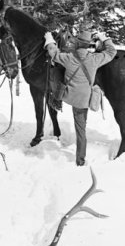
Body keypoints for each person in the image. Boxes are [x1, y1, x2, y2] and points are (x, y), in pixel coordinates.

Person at [44, 29, 116, 166]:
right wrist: (104, 38)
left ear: (76, 43)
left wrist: (50, 40)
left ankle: (56, 104)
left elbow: (53, 53)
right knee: (81, 131)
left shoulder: (68, 58)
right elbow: (112, 52)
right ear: (88, 44)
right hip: (83, 101)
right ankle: (80, 160)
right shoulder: (95, 59)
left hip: (68, 96)